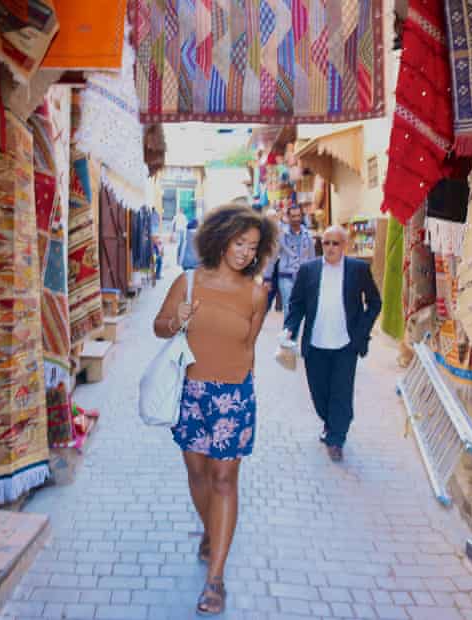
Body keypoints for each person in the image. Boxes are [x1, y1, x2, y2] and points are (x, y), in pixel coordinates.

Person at [153, 205, 277, 616]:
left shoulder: (258, 293)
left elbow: (249, 346)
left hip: (234, 397)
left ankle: (216, 579)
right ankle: (211, 531)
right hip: (192, 392)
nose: (244, 252)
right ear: (221, 238)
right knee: (198, 474)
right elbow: (158, 326)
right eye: (239, 242)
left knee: (224, 480)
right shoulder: (188, 282)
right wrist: (177, 321)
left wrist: (245, 393)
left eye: (253, 247)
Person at [284, 225, 382, 462]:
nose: (330, 248)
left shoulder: (358, 269)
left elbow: (374, 302)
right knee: (320, 393)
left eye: (335, 243)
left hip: (345, 345)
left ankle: (337, 438)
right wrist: (290, 330)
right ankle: (329, 423)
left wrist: (361, 332)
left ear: (344, 246)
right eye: (326, 243)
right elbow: (296, 304)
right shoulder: (308, 270)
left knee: (341, 392)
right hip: (315, 344)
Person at [276, 204, 316, 319]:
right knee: (289, 309)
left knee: (305, 309)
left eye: (298, 216)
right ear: (288, 217)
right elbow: (273, 257)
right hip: (286, 276)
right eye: (293, 216)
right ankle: (289, 335)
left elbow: (312, 257)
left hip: (303, 277)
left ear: (302, 217)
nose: (296, 219)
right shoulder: (281, 235)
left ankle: (297, 334)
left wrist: (314, 277)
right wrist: (267, 277)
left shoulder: (308, 235)